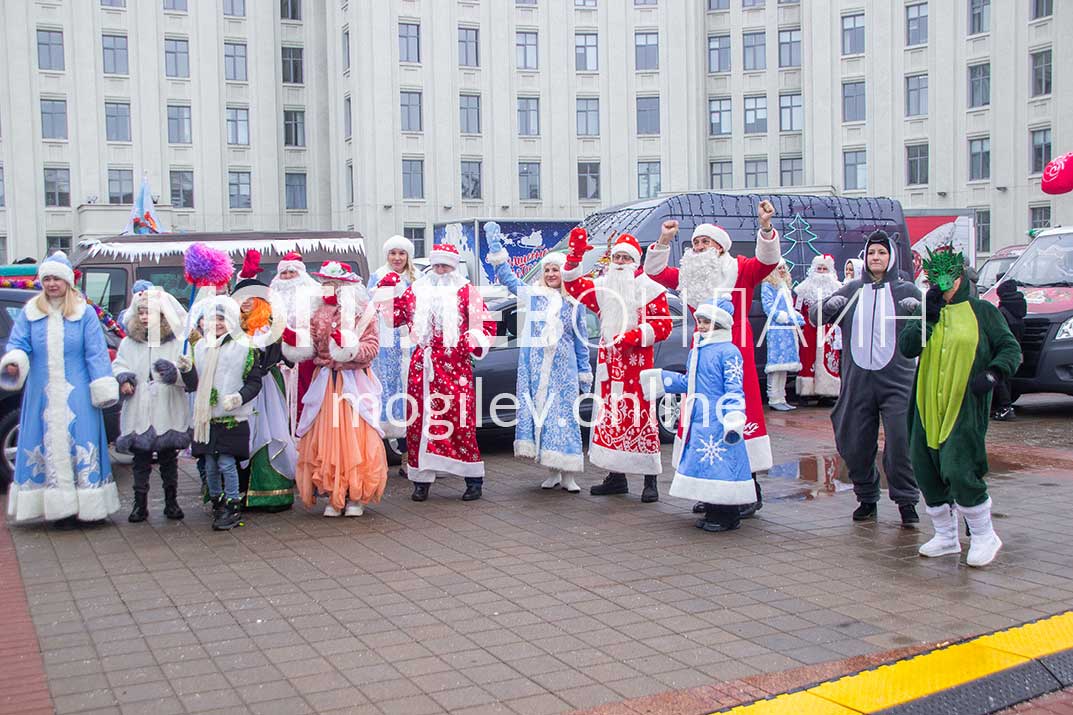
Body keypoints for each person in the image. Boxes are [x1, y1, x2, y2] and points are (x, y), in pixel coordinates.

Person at [643, 201, 780, 515]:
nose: (699, 246)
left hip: (736, 351)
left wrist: (766, 227)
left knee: (737, 417)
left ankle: (750, 491)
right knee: (704, 422)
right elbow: (655, 271)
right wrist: (664, 240)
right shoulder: (688, 275)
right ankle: (711, 490)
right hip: (701, 357)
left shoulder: (740, 268)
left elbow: (767, 261)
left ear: (720, 247)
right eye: (695, 243)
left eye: (705, 242)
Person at [898, 248, 1021, 567]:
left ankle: (984, 535)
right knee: (925, 468)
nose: (942, 284)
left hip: (964, 404)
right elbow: (907, 347)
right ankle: (946, 537)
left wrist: (994, 373)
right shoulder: (929, 309)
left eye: (947, 277)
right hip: (926, 404)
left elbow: (1010, 348)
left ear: (960, 276)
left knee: (959, 467)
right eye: (934, 278)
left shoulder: (983, 312)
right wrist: (928, 315)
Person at [0, 252, 121, 527]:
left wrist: (101, 385)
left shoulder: (85, 312)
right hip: (41, 392)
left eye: (56, 278)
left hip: (77, 391)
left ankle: (89, 506)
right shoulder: (32, 312)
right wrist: (14, 362)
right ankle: (58, 510)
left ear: (67, 282)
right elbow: (18, 344)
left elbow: (96, 353)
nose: (52, 284)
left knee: (82, 441)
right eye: (47, 279)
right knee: (44, 442)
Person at [817, 231, 921, 525]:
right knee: (855, 441)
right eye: (872, 253)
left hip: (898, 380)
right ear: (866, 257)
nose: (877, 258)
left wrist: (921, 312)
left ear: (891, 258)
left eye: (882, 253)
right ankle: (866, 497)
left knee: (902, 442)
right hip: (857, 380)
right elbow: (814, 317)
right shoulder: (851, 290)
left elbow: (932, 322)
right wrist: (827, 308)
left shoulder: (907, 291)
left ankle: (907, 502)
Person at [562, 230, 672, 502]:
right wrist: (575, 256)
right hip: (610, 370)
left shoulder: (650, 288)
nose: (621, 262)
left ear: (635, 261)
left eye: (626, 257)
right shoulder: (603, 287)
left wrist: (634, 336)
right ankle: (616, 477)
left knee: (641, 420)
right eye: (618, 257)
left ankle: (650, 481)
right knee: (611, 420)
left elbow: (663, 325)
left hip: (637, 366)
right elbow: (574, 286)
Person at [486, 222, 592, 493]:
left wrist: (583, 372)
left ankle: (569, 474)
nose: (551, 273)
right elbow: (509, 279)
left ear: (564, 272)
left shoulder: (574, 304)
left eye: (555, 269)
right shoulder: (533, 296)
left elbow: (581, 341)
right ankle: (552, 470)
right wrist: (496, 248)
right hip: (534, 369)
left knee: (564, 419)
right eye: (547, 269)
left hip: (563, 371)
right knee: (542, 419)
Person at [392, 244, 496, 502]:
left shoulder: (466, 291)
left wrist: (467, 343)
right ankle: (421, 481)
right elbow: (393, 317)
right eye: (437, 265)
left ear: (454, 267)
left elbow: (487, 325)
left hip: (454, 368)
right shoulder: (416, 290)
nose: (440, 271)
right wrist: (387, 290)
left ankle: (473, 479)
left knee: (458, 423)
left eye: (445, 266)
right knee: (419, 424)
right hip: (422, 368)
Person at [641, 299, 753, 532]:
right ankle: (713, 509)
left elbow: (734, 387)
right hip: (699, 416)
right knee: (706, 464)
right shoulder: (698, 350)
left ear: (719, 324)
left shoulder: (729, 352)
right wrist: (660, 379)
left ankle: (728, 515)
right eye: (699, 321)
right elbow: (688, 382)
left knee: (722, 464)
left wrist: (733, 417)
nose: (700, 326)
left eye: (706, 322)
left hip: (719, 417)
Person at [284, 260, 386, 517]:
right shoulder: (316, 313)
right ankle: (333, 492)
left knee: (355, 438)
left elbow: (371, 348)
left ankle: (355, 495)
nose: (327, 288)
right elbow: (308, 348)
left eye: (332, 284)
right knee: (327, 439)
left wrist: (349, 348)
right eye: (325, 283)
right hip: (326, 384)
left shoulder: (363, 313)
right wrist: (294, 342)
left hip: (353, 382)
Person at [178, 301, 264, 531]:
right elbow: (193, 385)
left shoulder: (244, 347)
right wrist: (186, 370)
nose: (216, 324)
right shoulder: (198, 348)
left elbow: (254, 382)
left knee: (226, 462)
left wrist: (238, 397)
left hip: (231, 416)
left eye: (221, 319)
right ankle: (216, 500)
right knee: (209, 464)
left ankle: (233, 503)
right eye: (211, 319)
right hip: (206, 417)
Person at [111, 288, 190, 522]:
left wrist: (174, 373)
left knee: (168, 458)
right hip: (139, 406)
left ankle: (171, 502)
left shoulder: (175, 342)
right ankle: (140, 504)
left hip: (167, 405)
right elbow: (119, 363)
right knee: (141, 460)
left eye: (150, 313)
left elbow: (186, 370)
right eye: (141, 312)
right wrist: (124, 378)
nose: (145, 317)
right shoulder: (129, 342)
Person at [234, 250, 298, 512]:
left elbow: (285, 353)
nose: (246, 302)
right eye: (241, 298)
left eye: (251, 297)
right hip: (238, 386)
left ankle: (271, 493)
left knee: (270, 433)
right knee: (241, 433)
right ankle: (236, 491)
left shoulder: (271, 323)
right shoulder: (230, 323)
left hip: (266, 384)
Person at [367, 235, 417, 475]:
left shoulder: (416, 279)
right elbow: (369, 308)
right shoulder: (376, 277)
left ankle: (409, 458)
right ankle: (381, 458)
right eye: (393, 253)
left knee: (409, 399)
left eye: (402, 253)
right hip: (384, 350)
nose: (397, 258)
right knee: (382, 398)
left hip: (409, 348)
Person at [269, 252, 320, 427]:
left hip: (306, 360)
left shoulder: (314, 293)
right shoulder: (271, 295)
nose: (288, 277)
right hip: (276, 360)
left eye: (292, 272)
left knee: (305, 400)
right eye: (284, 273)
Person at [794, 254, 842, 401]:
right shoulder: (803, 289)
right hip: (809, 329)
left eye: (824, 269)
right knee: (808, 359)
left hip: (829, 330)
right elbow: (797, 309)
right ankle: (807, 391)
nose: (821, 272)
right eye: (819, 269)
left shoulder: (837, 288)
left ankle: (827, 392)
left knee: (828, 360)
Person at [760, 260, 802, 411]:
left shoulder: (784, 285)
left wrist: (795, 316)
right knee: (775, 366)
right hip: (777, 328)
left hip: (787, 329)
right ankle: (773, 397)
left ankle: (781, 397)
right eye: (779, 268)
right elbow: (768, 307)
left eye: (784, 267)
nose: (783, 270)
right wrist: (784, 317)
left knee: (784, 366)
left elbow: (789, 307)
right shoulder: (768, 285)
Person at [992, 280, 1027, 421]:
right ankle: (1005, 406)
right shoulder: (1018, 309)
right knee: (1007, 378)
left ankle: (1005, 407)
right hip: (1016, 346)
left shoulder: (1003, 312)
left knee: (1000, 377)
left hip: (1003, 348)